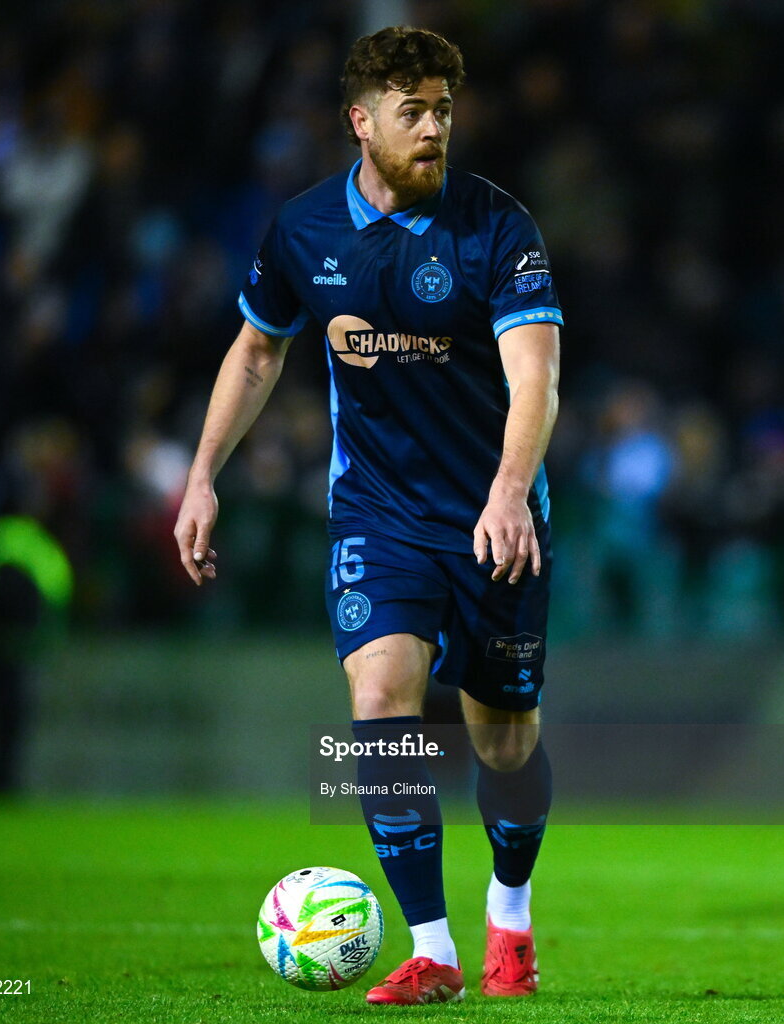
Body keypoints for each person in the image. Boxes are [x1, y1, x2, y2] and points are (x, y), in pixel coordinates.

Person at [175, 26, 562, 1005]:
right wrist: (201, 476)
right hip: (376, 518)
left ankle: (507, 915)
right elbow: (257, 351)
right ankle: (431, 949)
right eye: (411, 112)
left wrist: (510, 488)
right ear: (360, 121)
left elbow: (535, 378)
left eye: (441, 110)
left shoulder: (496, 227)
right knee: (380, 704)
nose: (432, 129)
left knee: (502, 741)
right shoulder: (303, 230)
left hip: (492, 517)